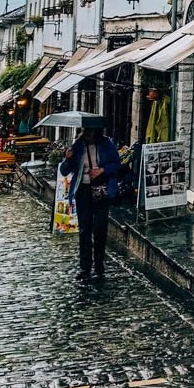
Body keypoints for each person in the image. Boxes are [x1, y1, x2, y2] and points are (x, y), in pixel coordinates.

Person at [60, 118, 121, 281]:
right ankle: (85, 267)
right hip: (83, 191)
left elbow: (117, 164)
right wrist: (67, 159)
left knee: (100, 226)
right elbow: (64, 171)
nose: (89, 135)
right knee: (85, 229)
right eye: (86, 131)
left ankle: (99, 264)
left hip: (101, 190)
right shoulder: (77, 147)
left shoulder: (106, 145)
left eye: (92, 132)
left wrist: (101, 170)